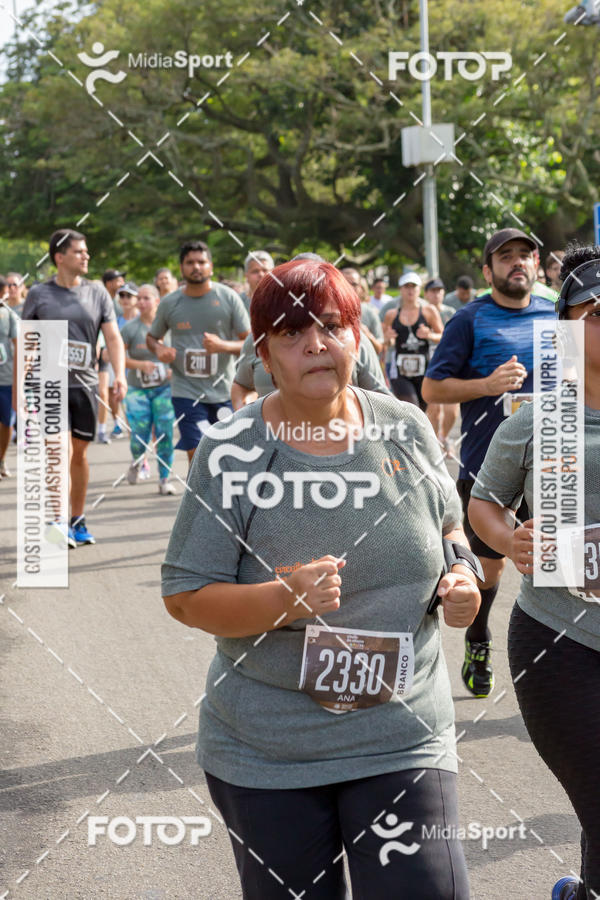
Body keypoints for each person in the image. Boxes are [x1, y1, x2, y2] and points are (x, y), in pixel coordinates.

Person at [162, 258, 481, 900]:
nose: (315, 344)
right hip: (269, 749)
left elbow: (451, 528)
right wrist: (283, 600)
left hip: (403, 733)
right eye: (291, 333)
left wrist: (464, 578)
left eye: (332, 327)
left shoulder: (405, 426)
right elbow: (186, 596)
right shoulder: (233, 451)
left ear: (356, 338)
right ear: (264, 355)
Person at [467, 244, 600, 900]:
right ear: (568, 329)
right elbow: (484, 505)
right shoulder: (541, 421)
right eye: (596, 311)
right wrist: (509, 540)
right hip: (560, 644)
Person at [422, 227, 557, 697]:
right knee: (491, 568)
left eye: (525, 255)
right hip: (489, 468)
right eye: (506, 257)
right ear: (488, 270)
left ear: (537, 265)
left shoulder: (558, 313)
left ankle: (562, 662)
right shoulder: (470, 319)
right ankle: (478, 639)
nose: (516, 263)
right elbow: (432, 389)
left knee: (557, 566)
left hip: (557, 465)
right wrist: (486, 384)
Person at [20, 228, 126, 546]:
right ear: (60, 257)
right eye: (79, 251)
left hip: (86, 385)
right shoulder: (39, 294)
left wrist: (119, 374)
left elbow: (113, 338)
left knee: (78, 454)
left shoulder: (97, 293)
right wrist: (20, 390)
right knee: (58, 451)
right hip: (49, 383)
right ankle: (56, 521)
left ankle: (77, 518)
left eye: (86, 251)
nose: (86, 256)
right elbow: (28, 343)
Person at [147, 240, 250, 464]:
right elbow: (152, 338)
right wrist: (160, 349)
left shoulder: (228, 297)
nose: (196, 267)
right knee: (197, 452)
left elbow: (251, 342)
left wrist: (223, 346)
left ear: (210, 266)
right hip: (186, 391)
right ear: (181, 268)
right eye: (190, 262)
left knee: (227, 453)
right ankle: (201, 496)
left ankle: (222, 497)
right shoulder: (170, 302)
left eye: (201, 262)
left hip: (223, 391)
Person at [121, 284, 176, 495]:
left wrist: (172, 370)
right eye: (139, 298)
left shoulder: (168, 329)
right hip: (138, 390)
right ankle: (137, 460)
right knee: (139, 435)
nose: (141, 302)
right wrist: (140, 365)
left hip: (164, 390)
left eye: (146, 298)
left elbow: (178, 352)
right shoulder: (130, 328)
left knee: (165, 434)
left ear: (157, 301)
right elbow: (116, 357)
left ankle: (164, 479)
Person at [382, 272, 443, 409]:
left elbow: (443, 337)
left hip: (424, 370)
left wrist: (429, 335)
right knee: (411, 408)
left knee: (422, 411)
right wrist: (388, 339)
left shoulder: (429, 311)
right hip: (400, 371)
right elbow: (386, 343)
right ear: (400, 289)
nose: (410, 290)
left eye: (413, 287)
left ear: (419, 289)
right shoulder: (391, 314)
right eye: (406, 287)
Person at [423, 278, 459, 453]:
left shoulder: (452, 312)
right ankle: (434, 443)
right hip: (428, 363)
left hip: (451, 362)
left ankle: (444, 436)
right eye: (433, 290)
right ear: (426, 294)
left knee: (452, 411)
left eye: (439, 290)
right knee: (434, 409)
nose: (436, 294)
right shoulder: (422, 312)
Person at [341, 268, 384, 356]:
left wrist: (367, 335)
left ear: (360, 287)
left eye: (354, 284)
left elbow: (379, 348)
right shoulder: (327, 313)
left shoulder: (370, 312)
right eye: (345, 283)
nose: (350, 287)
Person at [0, 288, 18, 477]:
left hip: (6, 379)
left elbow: (19, 344)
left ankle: (1, 460)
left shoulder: (9, 316)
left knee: (7, 422)